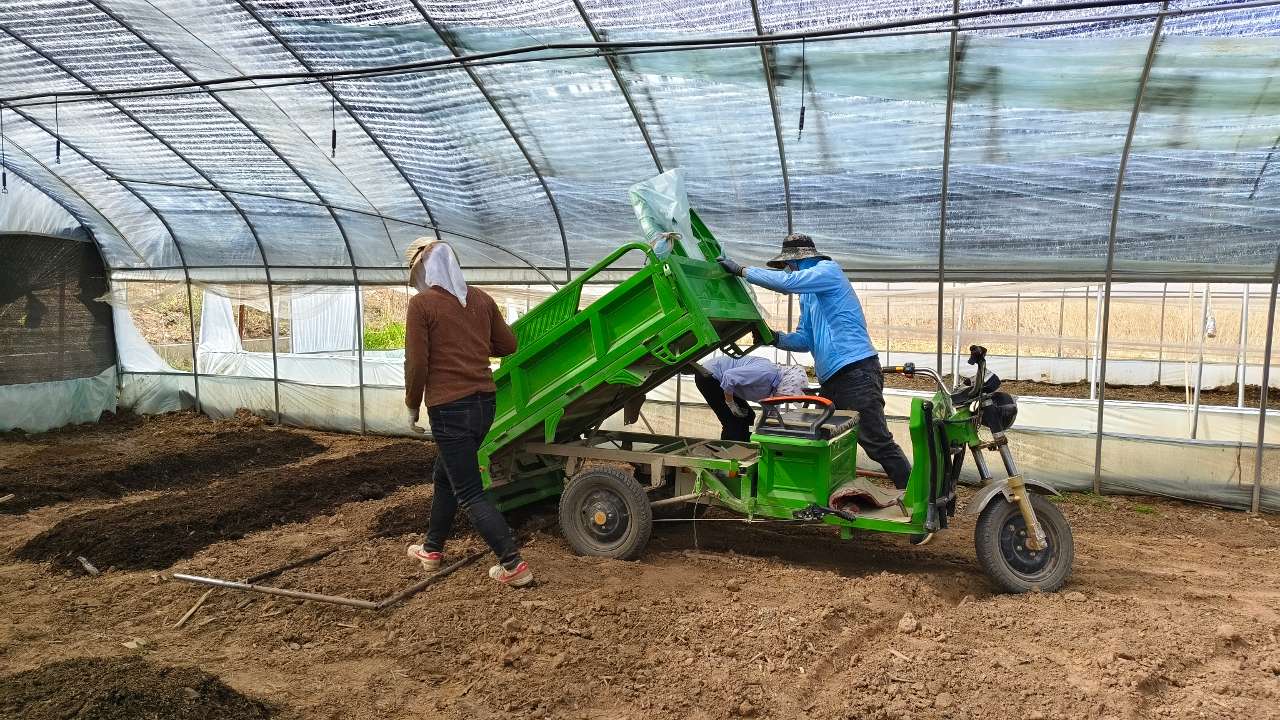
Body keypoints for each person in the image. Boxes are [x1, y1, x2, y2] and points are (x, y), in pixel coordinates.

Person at [717, 233, 912, 489]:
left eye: (788, 265)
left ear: (798, 261)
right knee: (828, 437)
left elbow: (788, 283)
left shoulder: (827, 271)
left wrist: (742, 271)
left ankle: (917, 503)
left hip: (855, 372)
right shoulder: (808, 296)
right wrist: (774, 338)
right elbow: (804, 339)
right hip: (835, 378)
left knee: (876, 441)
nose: (787, 269)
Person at [402, 238, 532, 587]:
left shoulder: (423, 305)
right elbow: (508, 345)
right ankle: (432, 549)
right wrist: (471, 338)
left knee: (470, 492)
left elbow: (417, 363)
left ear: (424, 272)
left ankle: (513, 565)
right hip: (484, 405)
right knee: (445, 473)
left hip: (449, 408)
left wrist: (412, 404)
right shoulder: (481, 299)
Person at [690, 355, 808, 441]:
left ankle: (743, 453)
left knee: (748, 416)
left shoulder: (777, 387)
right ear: (786, 386)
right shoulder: (766, 372)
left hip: (726, 384)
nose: (784, 400)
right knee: (733, 423)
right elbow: (729, 376)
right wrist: (730, 403)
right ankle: (729, 463)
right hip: (710, 376)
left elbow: (772, 410)